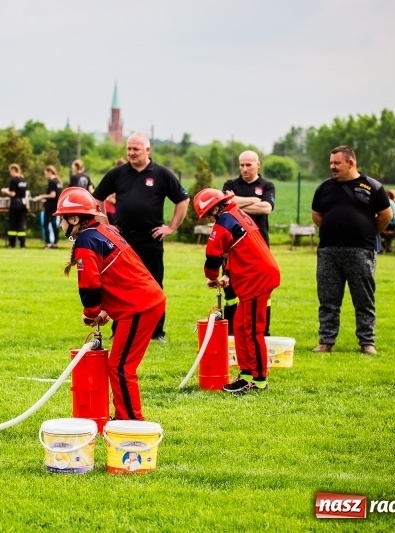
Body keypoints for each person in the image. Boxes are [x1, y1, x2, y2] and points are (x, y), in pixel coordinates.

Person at [55, 187, 165, 420]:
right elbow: (112, 274)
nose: (61, 225)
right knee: (120, 366)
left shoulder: (87, 240)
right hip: (143, 303)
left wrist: (93, 312)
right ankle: (126, 418)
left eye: (62, 219)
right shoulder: (101, 231)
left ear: (74, 218)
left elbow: (90, 285)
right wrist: (102, 310)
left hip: (139, 306)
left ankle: (131, 422)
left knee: (121, 367)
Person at [92, 132, 190, 343]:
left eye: (136, 149)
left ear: (147, 150)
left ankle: (156, 333)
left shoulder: (162, 174)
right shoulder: (117, 173)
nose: (131, 153)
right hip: (122, 240)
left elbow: (183, 200)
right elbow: (97, 197)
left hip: (151, 239)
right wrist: (106, 226)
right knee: (120, 284)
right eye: (129, 149)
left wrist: (171, 227)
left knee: (154, 285)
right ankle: (119, 329)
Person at [194, 188, 280, 393]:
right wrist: (227, 276)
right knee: (241, 327)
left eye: (208, 214)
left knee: (251, 330)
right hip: (256, 276)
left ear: (215, 208)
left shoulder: (224, 221)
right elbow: (239, 250)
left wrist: (212, 276)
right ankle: (246, 374)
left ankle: (259, 380)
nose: (209, 218)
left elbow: (213, 254)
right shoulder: (237, 214)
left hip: (256, 279)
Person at [311, 146, 391, 354]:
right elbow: (317, 215)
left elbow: (385, 215)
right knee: (328, 299)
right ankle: (326, 341)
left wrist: (368, 232)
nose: (332, 167)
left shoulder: (372, 186)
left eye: (337, 163)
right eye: (331, 163)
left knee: (364, 299)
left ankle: (367, 343)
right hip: (328, 251)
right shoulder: (324, 188)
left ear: (351, 163)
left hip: (360, 251)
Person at [221, 150, 276, 335]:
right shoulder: (230, 184)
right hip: (232, 247)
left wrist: (236, 201)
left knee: (261, 291)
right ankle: (230, 333)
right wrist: (253, 200)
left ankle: (262, 331)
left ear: (258, 165)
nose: (244, 169)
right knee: (231, 291)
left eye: (249, 165)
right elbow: (224, 206)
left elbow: (267, 208)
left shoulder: (267, 185)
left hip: (259, 248)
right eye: (241, 165)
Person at [33, 165, 63, 249]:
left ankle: (48, 242)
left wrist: (41, 196)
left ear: (49, 172)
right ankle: (55, 242)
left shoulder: (52, 182)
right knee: (54, 224)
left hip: (50, 206)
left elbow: (52, 195)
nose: (45, 175)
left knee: (46, 224)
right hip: (56, 206)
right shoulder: (58, 181)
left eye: (45, 173)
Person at [1, 163, 28, 248]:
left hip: (15, 204)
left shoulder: (14, 180)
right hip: (23, 204)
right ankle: (22, 244)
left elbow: (13, 194)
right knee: (21, 224)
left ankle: (12, 244)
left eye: (10, 171)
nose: (10, 173)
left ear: (13, 170)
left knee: (13, 224)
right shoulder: (23, 180)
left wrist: (5, 191)